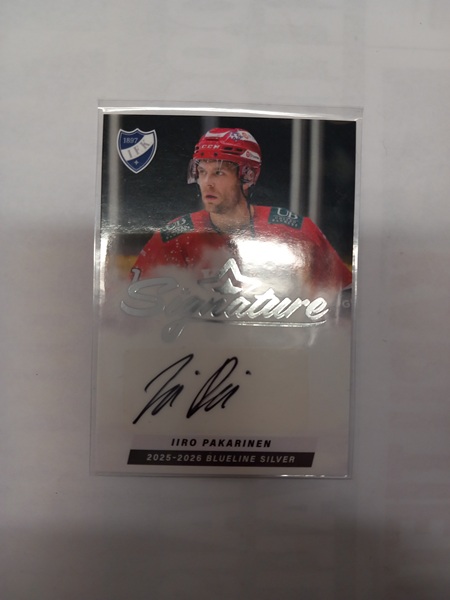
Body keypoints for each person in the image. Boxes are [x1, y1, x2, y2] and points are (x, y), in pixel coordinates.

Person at [131, 128, 351, 302]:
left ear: (248, 176)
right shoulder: (176, 235)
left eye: (218, 173)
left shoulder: (296, 232)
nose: (207, 183)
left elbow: (345, 300)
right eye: (202, 172)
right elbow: (135, 304)